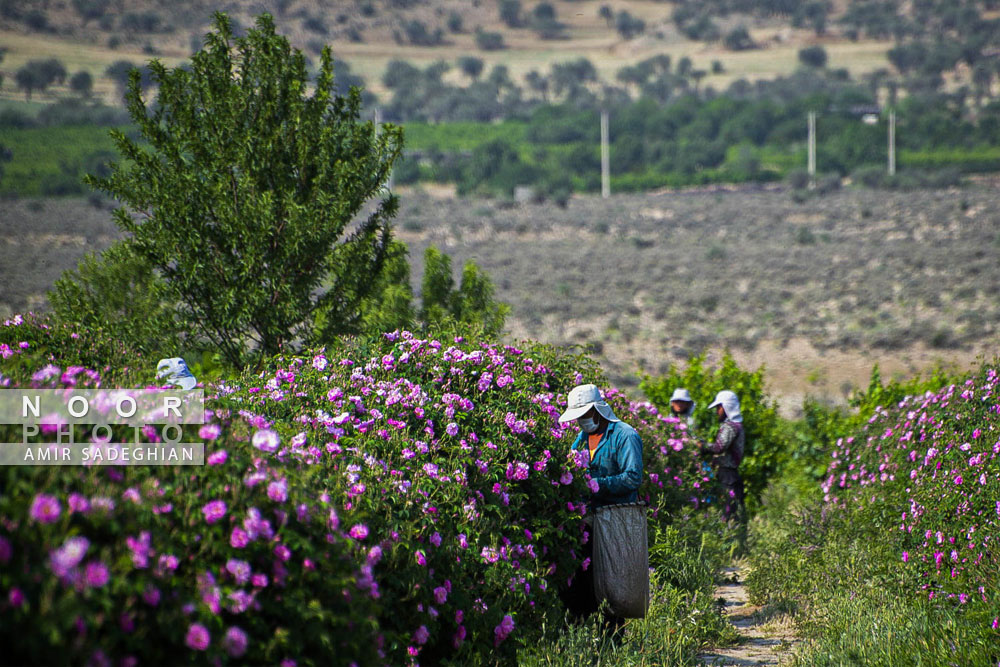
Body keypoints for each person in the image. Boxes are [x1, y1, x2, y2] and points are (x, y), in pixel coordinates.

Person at [556, 383, 644, 620]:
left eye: (584, 415)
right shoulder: (583, 437)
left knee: (612, 584)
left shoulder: (625, 435)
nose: (581, 421)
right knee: (585, 584)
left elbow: (633, 477)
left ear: (597, 410)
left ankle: (612, 642)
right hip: (589, 521)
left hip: (615, 520)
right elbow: (573, 464)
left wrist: (597, 484)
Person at [701, 390, 747, 535]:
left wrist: (701, 447)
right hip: (730, 474)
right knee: (731, 512)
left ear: (726, 407)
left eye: (718, 408)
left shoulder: (731, 426)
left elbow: (719, 447)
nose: (717, 412)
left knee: (727, 513)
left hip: (727, 475)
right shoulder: (737, 425)